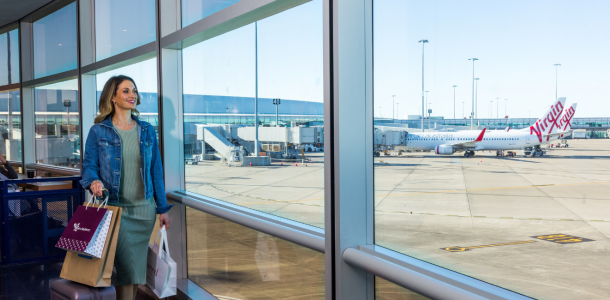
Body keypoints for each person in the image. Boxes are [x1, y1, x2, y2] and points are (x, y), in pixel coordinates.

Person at [81, 75, 173, 300]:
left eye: (134, 90)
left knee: (135, 273)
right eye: (126, 91)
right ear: (112, 97)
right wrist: (93, 181)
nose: (133, 95)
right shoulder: (98, 131)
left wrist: (162, 208)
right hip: (116, 210)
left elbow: (156, 171)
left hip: (144, 211)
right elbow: (89, 166)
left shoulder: (147, 131)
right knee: (126, 270)